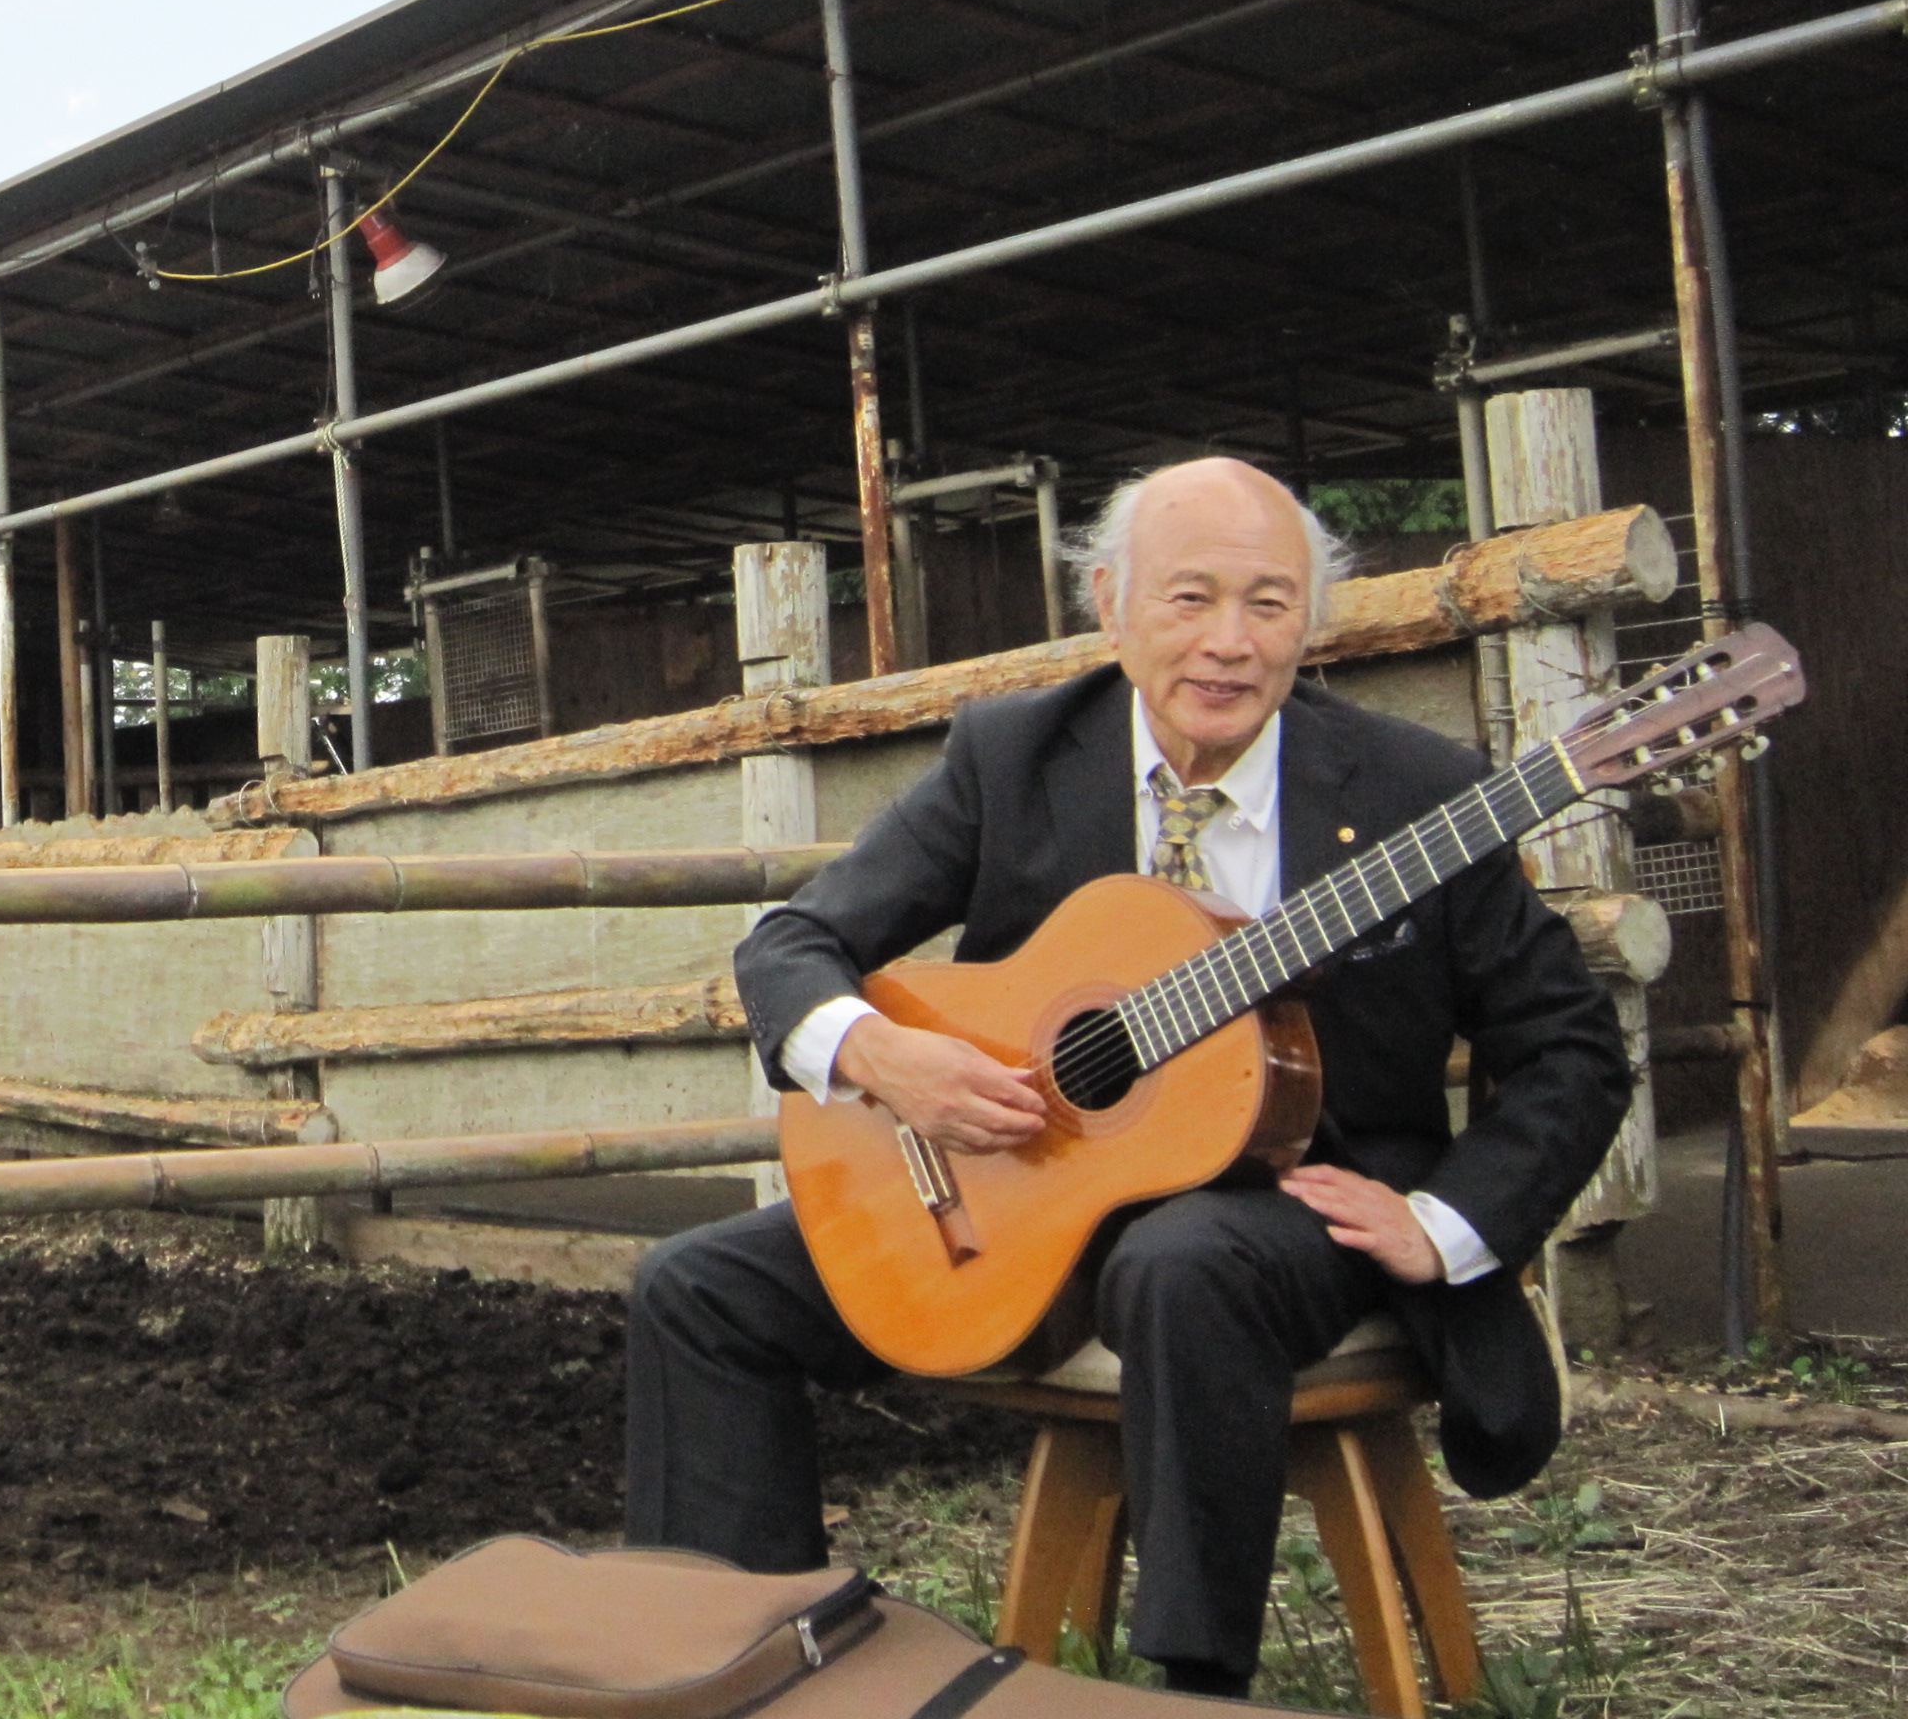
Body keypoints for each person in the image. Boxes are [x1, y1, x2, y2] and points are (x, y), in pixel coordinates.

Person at [623, 457, 1631, 1700]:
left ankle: (1187, 1687)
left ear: (1312, 622)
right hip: (1018, 1190)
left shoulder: (1424, 798)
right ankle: (743, 1664)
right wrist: (883, 1057)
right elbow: (790, 947)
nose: (1228, 643)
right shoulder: (1019, 756)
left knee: (1183, 1264)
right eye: (1188, 598)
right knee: (696, 1288)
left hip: (1295, 1208)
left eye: (1269, 604)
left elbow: (1572, 1050)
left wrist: (1447, 1225)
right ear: (1110, 604)